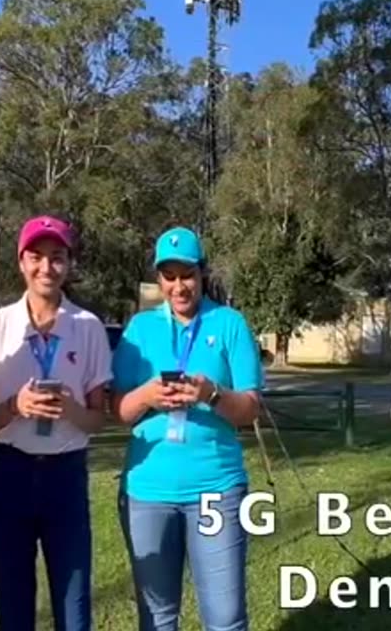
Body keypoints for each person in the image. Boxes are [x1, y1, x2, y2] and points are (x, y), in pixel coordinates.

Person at [111, 226, 264, 631]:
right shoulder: (140, 330)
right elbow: (119, 411)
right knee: (157, 617)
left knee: (226, 618)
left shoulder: (229, 323)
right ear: (159, 279)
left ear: (202, 274)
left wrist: (211, 394)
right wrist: (147, 396)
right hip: (148, 492)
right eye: (170, 276)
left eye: (188, 275)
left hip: (216, 490)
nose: (179, 286)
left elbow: (250, 408)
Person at [0, 215, 112, 631]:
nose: (46, 268)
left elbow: (97, 419)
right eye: (36, 257)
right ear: (21, 261)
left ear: (69, 263)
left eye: (57, 257)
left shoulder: (88, 328)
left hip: (65, 476)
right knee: (13, 602)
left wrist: (70, 409)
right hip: (10, 472)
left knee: (74, 602)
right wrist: (16, 404)